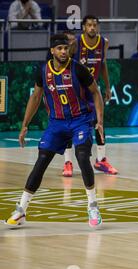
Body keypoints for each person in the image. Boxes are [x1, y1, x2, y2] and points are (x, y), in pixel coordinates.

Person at [4, 34, 104, 229]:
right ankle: (21, 210)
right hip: (56, 123)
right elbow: (35, 98)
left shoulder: (78, 69)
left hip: (80, 120)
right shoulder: (43, 71)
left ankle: (93, 206)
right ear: (52, 51)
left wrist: (99, 120)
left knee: (82, 157)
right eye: (59, 49)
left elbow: (96, 92)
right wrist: (24, 125)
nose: (63, 52)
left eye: (66, 48)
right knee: (41, 161)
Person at [64, 15, 117, 177]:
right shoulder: (76, 44)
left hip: (93, 89)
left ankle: (101, 160)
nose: (92, 28)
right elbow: (66, 64)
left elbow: (103, 65)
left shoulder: (104, 42)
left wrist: (107, 87)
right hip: (76, 90)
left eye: (95, 25)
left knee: (99, 121)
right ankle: (68, 162)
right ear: (84, 28)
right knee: (70, 124)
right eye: (89, 25)